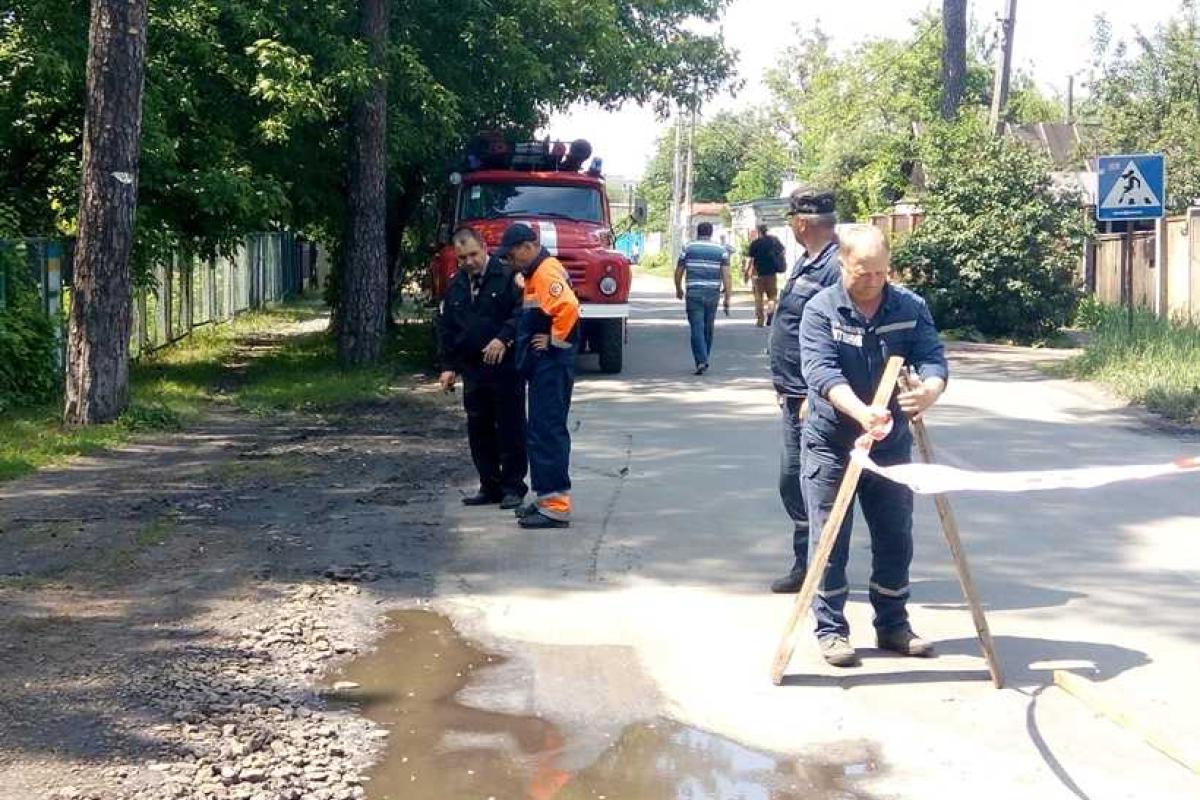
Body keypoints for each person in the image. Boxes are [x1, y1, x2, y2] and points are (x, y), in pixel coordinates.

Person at [799, 224, 948, 667]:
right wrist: (860, 412)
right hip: (832, 442)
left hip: (890, 446)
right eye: (864, 272)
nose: (873, 282)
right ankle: (831, 630)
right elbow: (821, 372)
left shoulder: (909, 306)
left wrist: (930, 390)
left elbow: (932, 356)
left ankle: (893, 625)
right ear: (842, 263)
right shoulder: (820, 310)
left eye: (882, 272)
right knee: (830, 538)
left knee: (895, 536)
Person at [767, 190, 843, 594]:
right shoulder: (807, 261)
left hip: (812, 397)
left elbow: (837, 337)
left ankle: (818, 567)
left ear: (800, 223)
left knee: (803, 480)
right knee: (794, 480)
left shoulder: (835, 267)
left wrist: (815, 394)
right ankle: (808, 562)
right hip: (793, 392)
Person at [494, 223, 581, 530]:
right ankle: (546, 498)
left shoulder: (544, 272)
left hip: (551, 366)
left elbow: (568, 307)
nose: (510, 261)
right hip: (546, 367)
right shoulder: (538, 272)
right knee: (541, 431)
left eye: (512, 255)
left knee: (546, 432)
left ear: (527, 247)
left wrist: (554, 341)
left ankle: (555, 506)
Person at [438, 226, 528, 509]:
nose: (468, 262)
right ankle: (489, 485)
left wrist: (504, 338)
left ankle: (513, 487)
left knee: (510, 428)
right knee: (479, 429)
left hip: (505, 367)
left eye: (473, 254)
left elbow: (522, 312)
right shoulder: (456, 285)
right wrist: (448, 366)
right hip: (473, 369)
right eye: (462, 257)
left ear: (484, 249)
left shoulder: (507, 276)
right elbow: (447, 328)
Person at [674, 222, 732, 375]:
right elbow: (727, 274)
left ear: (697, 232)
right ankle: (704, 357)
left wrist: (678, 288)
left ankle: (701, 360)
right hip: (712, 293)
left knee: (696, 327)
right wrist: (727, 297)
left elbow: (679, 270)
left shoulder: (688, 248)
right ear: (711, 232)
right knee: (708, 327)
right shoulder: (721, 250)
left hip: (694, 293)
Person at [746, 224, 786, 327]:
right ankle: (770, 314)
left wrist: (746, 272)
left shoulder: (755, 243)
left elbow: (750, 260)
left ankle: (760, 320)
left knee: (758, 297)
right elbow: (782, 252)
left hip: (758, 274)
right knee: (772, 296)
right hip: (771, 274)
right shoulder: (773, 241)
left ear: (759, 231)